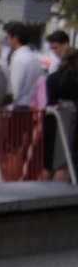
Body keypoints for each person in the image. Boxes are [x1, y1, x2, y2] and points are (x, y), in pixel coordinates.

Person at [46, 50, 78, 181]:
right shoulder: (75, 79)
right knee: (66, 162)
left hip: (54, 120)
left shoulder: (53, 77)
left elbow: (50, 99)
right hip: (71, 122)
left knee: (51, 163)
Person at [6, 22, 43, 109]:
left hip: (16, 109)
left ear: (15, 38)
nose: (7, 41)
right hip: (28, 106)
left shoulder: (19, 59)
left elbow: (14, 90)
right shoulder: (34, 58)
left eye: (8, 38)